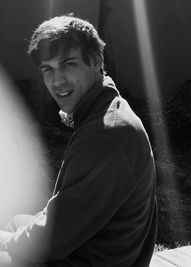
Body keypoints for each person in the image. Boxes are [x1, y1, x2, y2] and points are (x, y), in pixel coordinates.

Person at [0, 14, 157, 266]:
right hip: (102, 250)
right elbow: (68, 213)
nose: (57, 80)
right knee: (17, 221)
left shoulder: (105, 134)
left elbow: (53, 240)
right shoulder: (107, 109)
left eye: (68, 64)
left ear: (96, 62)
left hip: (92, 259)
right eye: (47, 69)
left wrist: (9, 243)